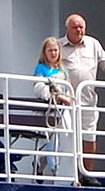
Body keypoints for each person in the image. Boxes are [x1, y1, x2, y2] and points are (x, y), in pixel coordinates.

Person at [59, 12, 105, 183]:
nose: (79, 30)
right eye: (75, 27)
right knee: (66, 138)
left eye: (81, 27)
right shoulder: (58, 46)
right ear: (67, 28)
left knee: (89, 137)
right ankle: (65, 172)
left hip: (88, 101)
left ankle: (87, 174)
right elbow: (48, 65)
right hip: (66, 103)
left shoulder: (93, 44)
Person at [32, 36, 74, 180]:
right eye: (50, 50)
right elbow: (38, 88)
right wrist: (55, 96)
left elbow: (68, 88)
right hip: (48, 110)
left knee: (66, 137)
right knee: (51, 141)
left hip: (63, 110)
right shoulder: (40, 68)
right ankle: (50, 168)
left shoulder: (63, 69)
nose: (53, 53)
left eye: (55, 50)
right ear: (45, 52)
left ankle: (57, 168)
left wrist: (68, 97)